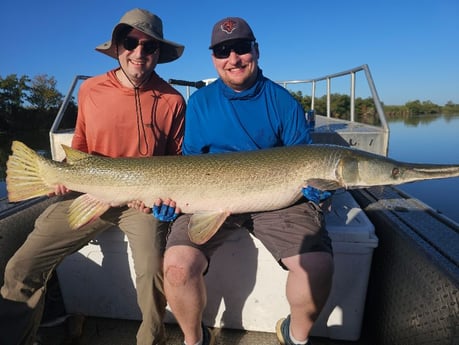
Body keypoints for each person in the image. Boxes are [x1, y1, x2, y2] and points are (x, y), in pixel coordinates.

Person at [0, 8, 185, 345]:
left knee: (153, 273)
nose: (139, 53)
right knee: (20, 267)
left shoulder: (173, 99)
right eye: (131, 42)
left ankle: (151, 340)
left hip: (140, 205)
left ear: (159, 53)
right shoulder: (91, 90)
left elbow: (175, 162)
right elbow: (81, 146)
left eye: (150, 47)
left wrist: (162, 199)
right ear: (117, 47)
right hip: (88, 193)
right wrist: (61, 176)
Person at [162, 17, 334, 345]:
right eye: (223, 51)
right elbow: (191, 162)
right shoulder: (199, 103)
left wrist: (318, 187)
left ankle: (295, 336)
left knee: (318, 266)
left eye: (241, 48)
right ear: (214, 58)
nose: (233, 58)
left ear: (255, 50)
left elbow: (304, 158)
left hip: (277, 200)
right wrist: (171, 198)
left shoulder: (283, 102)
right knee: (177, 268)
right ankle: (193, 339)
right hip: (211, 198)